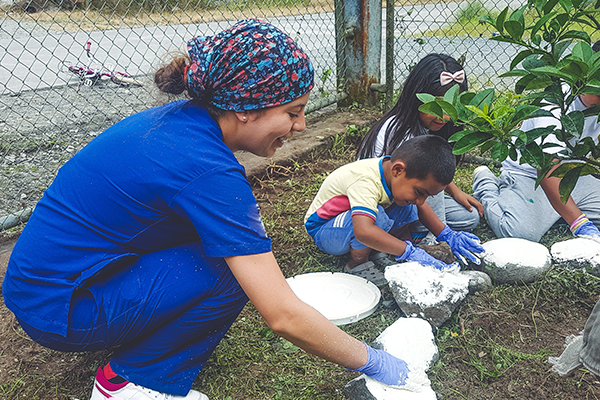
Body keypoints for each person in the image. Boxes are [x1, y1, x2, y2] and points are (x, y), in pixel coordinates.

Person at [2, 19, 411, 400]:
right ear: (246, 108)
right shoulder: (207, 171)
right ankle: (130, 380)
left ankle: (135, 330)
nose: (301, 126)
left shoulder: (181, 123)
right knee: (230, 272)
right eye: (292, 111)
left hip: (44, 285)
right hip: (62, 307)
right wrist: (372, 360)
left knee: (228, 249)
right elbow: (282, 314)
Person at [304, 135, 485, 285]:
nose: (421, 200)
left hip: (350, 225)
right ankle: (357, 263)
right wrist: (410, 252)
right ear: (398, 170)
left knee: (408, 208)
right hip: (324, 230)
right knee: (376, 218)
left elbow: (421, 206)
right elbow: (363, 231)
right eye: (419, 192)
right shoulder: (366, 180)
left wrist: (446, 234)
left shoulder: (394, 176)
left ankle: (376, 251)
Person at [472, 41, 600, 243]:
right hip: (532, 177)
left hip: (574, 175)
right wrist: (578, 223)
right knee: (520, 233)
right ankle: (485, 183)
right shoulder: (554, 104)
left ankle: (556, 212)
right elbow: (547, 170)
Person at [356, 54, 483, 243]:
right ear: (418, 97)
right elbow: (415, 184)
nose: (445, 117)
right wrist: (439, 235)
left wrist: (456, 192)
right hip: (384, 203)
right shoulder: (401, 133)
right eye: (438, 106)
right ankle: (422, 235)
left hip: (410, 195)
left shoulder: (430, 127)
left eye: (452, 107)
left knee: (468, 216)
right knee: (430, 189)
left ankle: (422, 228)